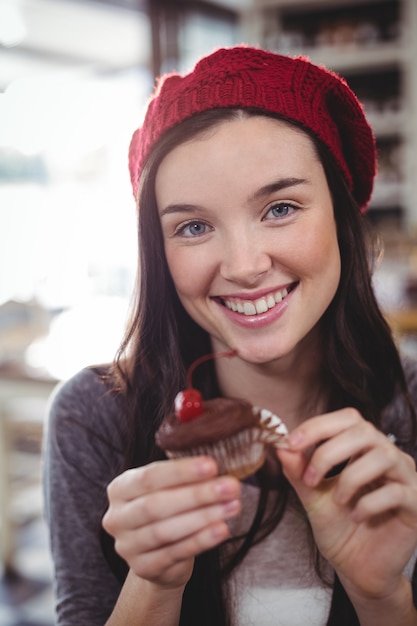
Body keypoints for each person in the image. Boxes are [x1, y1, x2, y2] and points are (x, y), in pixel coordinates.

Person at [43, 45, 417, 626]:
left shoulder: (412, 405)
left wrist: (381, 600)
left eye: (280, 208)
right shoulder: (94, 417)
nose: (244, 266)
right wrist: (153, 584)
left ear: (343, 220)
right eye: (193, 226)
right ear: (157, 252)